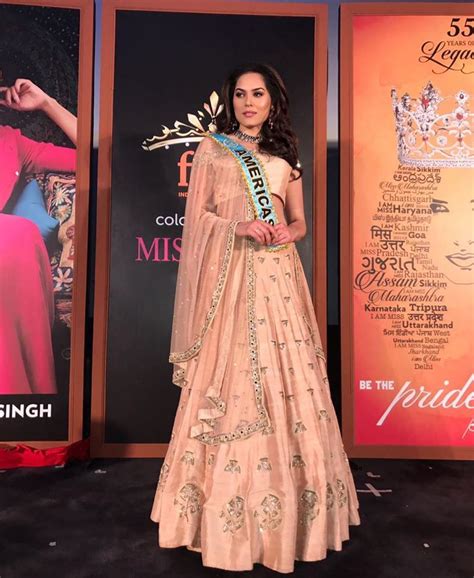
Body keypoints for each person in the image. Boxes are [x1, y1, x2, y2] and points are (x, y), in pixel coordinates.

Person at [150, 63, 360, 573]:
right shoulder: (214, 148)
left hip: (278, 281)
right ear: (232, 101)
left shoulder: (287, 155)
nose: (249, 102)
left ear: (273, 101)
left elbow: (300, 219)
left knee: (290, 382)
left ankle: (294, 510)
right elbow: (197, 217)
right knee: (234, 376)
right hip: (232, 279)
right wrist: (237, 224)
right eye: (241, 94)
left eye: (258, 94)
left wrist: (295, 231)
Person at [0, 78, 76, 394]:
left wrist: (46, 104)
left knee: (18, 234)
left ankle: (23, 405)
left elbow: (97, 154)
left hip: (6, 249)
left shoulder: (11, 142)